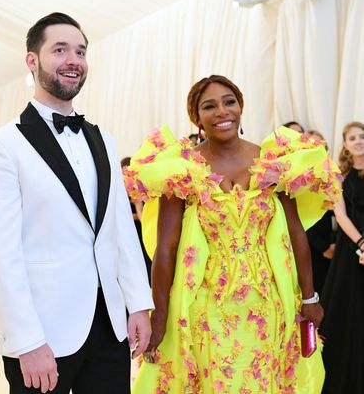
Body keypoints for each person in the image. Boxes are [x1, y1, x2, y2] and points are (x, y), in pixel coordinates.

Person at [125, 75, 342, 393]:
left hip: (268, 303)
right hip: (206, 304)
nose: (222, 111)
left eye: (229, 102)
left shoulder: (272, 162)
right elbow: (166, 249)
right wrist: (160, 316)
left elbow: (295, 234)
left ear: (240, 107)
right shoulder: (182, 168)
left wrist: (309, 297)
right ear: (196, 117)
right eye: (209, 106)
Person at [0, 12, 153, 394]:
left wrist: (138, 302)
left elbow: (121, 227)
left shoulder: (103, 138)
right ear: (32, 60)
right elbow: (0, 254)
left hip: (109, 327)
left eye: (81, 51)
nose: (73, 60)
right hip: (43, 332)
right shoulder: (3, 146)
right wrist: (27, 341)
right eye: (60, 49)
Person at [320, 121, 364, 394]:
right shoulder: (339, 177)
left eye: (362, 136)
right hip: (351, 251)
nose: (359, 141)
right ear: (345, 145)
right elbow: (341, 215)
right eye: (353, 138)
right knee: (351, 313)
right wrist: (361, 243)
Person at [305, 130, 336, 294]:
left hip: (337, 246)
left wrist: (334, 243)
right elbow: (301, 222)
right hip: (312, 249)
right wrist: (324, 247)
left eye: (320, 145)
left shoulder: (334, 177)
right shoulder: (299, 181)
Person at [121, 156, 152, 283]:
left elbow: (143, 218)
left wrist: (137, 205)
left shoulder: (142, 190)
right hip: (129, 233)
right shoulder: (121, 192)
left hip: (141, 231)